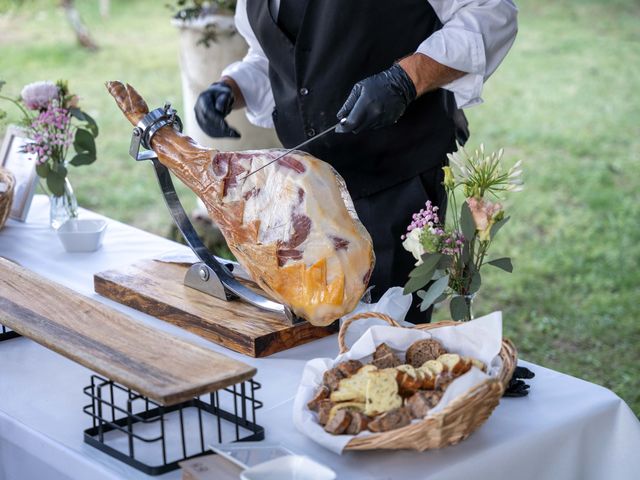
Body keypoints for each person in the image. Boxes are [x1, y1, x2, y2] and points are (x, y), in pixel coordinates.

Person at [195, 0, 518, 323]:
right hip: (305, 201)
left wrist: (406, 80)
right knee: (309, 334)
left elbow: (490, 14)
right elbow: (277, 55)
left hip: (397, 181)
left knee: (389, 340)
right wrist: (232, 87)